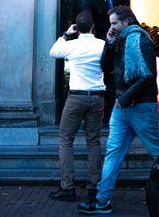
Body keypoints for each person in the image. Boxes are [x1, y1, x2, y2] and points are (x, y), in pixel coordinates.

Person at [78, 6, 159, 214]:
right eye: (111, 23)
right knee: (113, 153)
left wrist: (125, 98)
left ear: (127, 21)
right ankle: (102, 200)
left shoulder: (141, 41)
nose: (112, 27)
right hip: (121, 108)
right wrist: (108, 43)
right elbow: (104, 67)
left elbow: (148, 75)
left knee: (158, 154)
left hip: (141, 107)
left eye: (115, 23)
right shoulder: (118, 41)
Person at [49, 11, 106, 204]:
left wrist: (66, 34)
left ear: (77, 28)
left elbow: (53, 52)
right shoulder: (102, 44)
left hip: (76, 97)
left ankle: (67, 187)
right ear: (93, 27)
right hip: (97, 97)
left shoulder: (71, 45)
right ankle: (93, 187)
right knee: (93, 141)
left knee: (65, 139)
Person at [81, 0, 129, 123]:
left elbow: (126, 13)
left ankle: (116, 114)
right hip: (101, 42)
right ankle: (104, 115)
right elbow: (89, 18)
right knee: (104, 77)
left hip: (119, 42)